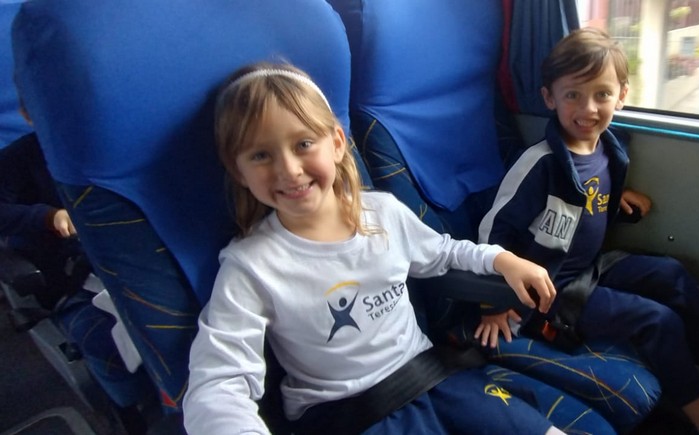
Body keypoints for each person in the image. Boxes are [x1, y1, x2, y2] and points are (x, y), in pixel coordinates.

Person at [184, 62, 569, 435]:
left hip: (432, 376)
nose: (288, 169)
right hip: (351, 413)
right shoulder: (251, 265)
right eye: (260, 155)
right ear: (238, 171)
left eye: (303, 144)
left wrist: (502, 259)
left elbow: (443, 253)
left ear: (337, 143)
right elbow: (219, 381)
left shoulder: (383, 213)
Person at [475, 28, 699, 432]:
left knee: (672, 274)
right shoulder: (539, 164)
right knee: (658, 321)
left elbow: (585, 200)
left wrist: (618, 199)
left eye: (602, 94)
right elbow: (492, 232)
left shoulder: (608, 147)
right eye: (573, 95)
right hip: (550, 290)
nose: (588, 108)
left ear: (621, 96)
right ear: (549, 98)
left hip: (591, 267)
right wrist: (493, 301)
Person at [0, 110, 152, 433]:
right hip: (74, 273)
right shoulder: (19, 158)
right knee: (107, 338)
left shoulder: (111, 141)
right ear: (27, 114)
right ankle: (137, 416)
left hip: (133, 256)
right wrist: (46, 217)